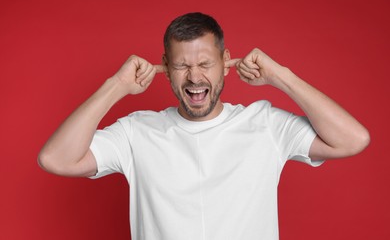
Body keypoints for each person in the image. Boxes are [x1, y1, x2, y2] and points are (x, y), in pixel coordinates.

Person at [38, 12, 370, 240]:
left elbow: (352, 139)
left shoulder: (265, 124)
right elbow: (56, 159)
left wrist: (281, 76)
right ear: (165, 69)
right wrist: (115, 86)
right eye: (182, 65)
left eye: (205, 64)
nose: (195, 77)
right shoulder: (136, 132)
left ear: (226, 63)